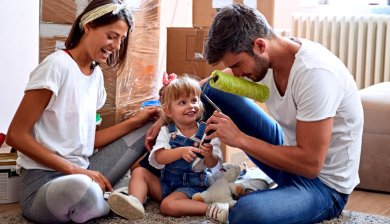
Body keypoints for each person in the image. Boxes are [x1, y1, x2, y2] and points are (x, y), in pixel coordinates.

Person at [146, 3, 364, 224]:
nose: (237, 74)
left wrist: (239, 139)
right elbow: (206, 86)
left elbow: (310, 164)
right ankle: (159, 178)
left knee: (246, 213)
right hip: (287, 153)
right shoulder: (266, 58)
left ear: (260, 46)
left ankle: (257, 195)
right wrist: (164, 119)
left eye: (239, 65)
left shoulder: (315, 75)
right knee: (211, 90)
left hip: (323, 185)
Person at [6, 0, 159, 223]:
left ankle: (110, 195)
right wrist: (74, 171)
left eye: (121, 39)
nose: (116, 46)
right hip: (46, 183)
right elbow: (16, 135)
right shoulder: (56, 66)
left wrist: (137, 121)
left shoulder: (95, 76)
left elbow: (89, 141)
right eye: (111, 36)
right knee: (82, 190)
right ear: (88, 26)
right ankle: (115, 196)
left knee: (148, 127)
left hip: (86, 170)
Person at [108, 74, 226, 222]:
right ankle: (135, 201)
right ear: (169, 111)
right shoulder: (167, 131)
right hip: (166, 184)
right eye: (182, 102)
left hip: (192, 187)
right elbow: (159, 156)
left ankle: (211, 208)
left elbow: (213, 164)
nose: (191, 105)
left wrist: (209, 155)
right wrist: (180, 152)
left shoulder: (206, 132)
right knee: (139, 172)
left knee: (167, 206)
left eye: (194, 100)